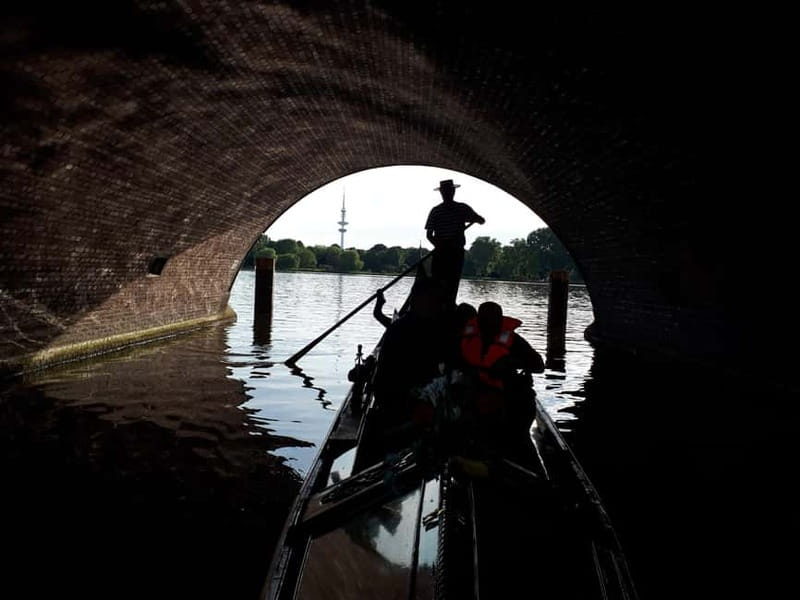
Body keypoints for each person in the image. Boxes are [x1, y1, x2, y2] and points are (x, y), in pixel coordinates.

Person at [459, 301, 544, 418]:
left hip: (506, 396)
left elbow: (539, 366)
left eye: (492, 319)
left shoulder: (514, 340)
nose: (488, 323)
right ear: (478, 320)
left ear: (500, 320)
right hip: (474, 393)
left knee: (523, 397)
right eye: (484, 319)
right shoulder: (466, 338)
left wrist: (511, 362)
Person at [424, 179, 485, 306]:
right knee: (442, 283)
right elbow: (429, 235)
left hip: (451, 253)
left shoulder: (460, 209)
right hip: (445, 253)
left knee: (448, 284)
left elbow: (480, 220)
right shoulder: (442, 211)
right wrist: (439, 245)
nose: (447, 193)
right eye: (446, 191)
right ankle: (442, 307)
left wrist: (476, 218)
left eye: (448, 191)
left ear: (452, 192)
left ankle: (446, 307)